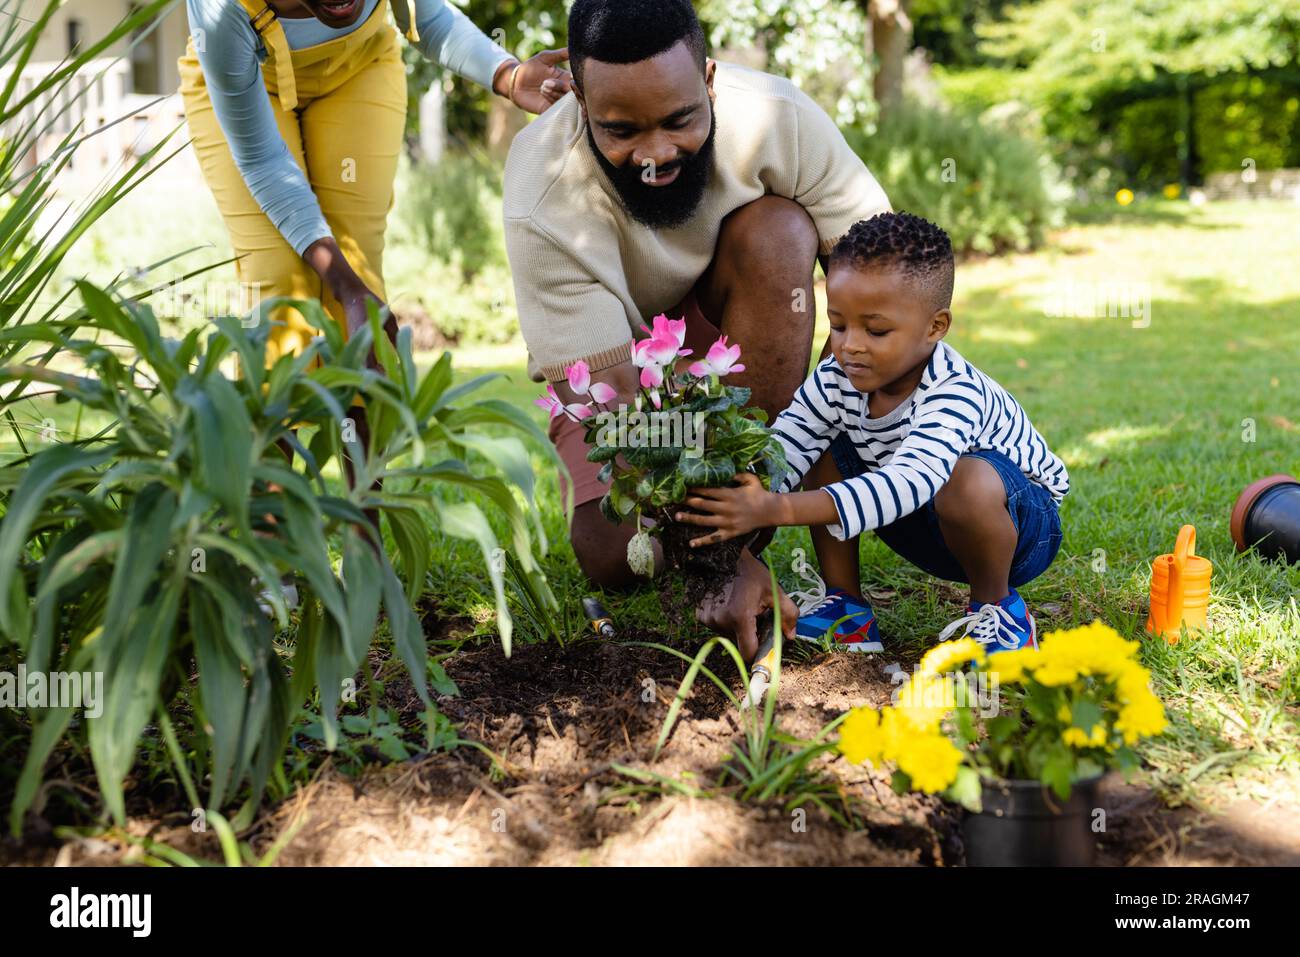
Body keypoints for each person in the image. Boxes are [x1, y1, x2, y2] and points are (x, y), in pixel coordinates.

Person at [503, 0, 891, 658]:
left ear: (709, 79)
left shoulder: (779, 118)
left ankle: (746, 507)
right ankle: (725, 536)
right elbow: (616, 411)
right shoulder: (542, 190)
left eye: (680, 120)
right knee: (622, 555)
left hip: (735, 336)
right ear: (577, 97)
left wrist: (820, 428)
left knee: (779, 232)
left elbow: (886, 276)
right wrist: (720, 557)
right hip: (622, 373)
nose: (655, 154)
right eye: (621, 130)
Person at [673, 212, 1069, 653]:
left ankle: (998, 612)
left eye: (876, 330)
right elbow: (787, 444)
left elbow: (911, 481)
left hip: (1018, 532)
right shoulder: (835, 378)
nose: (850, 345)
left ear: (935, 327)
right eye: (838, 325)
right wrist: (735, 495)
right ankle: (847, 609)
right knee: (822, 439)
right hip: (921, 519)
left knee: (967, 479)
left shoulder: (954, 391)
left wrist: (775, 508)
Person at [179, 0, 571, 370]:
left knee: (357, 262)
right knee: (279, 277)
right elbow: (263, 160)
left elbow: (427, 18)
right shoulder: (221, 10)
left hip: (359, 67)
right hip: (245, 80)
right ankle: (271, 436)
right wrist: (344, 288)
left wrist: (507, 75)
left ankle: (364, 431)